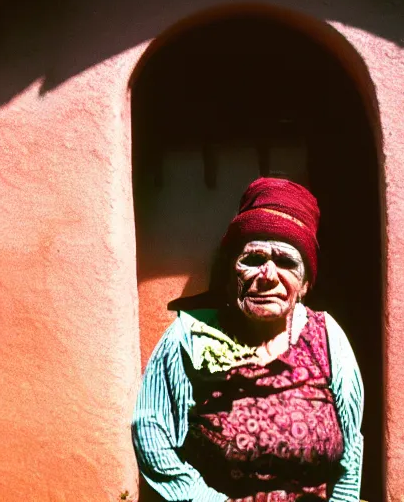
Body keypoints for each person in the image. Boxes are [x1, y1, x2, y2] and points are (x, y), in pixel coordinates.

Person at [132, 177, 364, 502]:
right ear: (232, 273)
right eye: (253, 260)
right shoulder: (189, 335)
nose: (268, 275)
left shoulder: (327, 337)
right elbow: (150, 428)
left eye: (285, 263)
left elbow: (350, 447)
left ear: (306, 283)